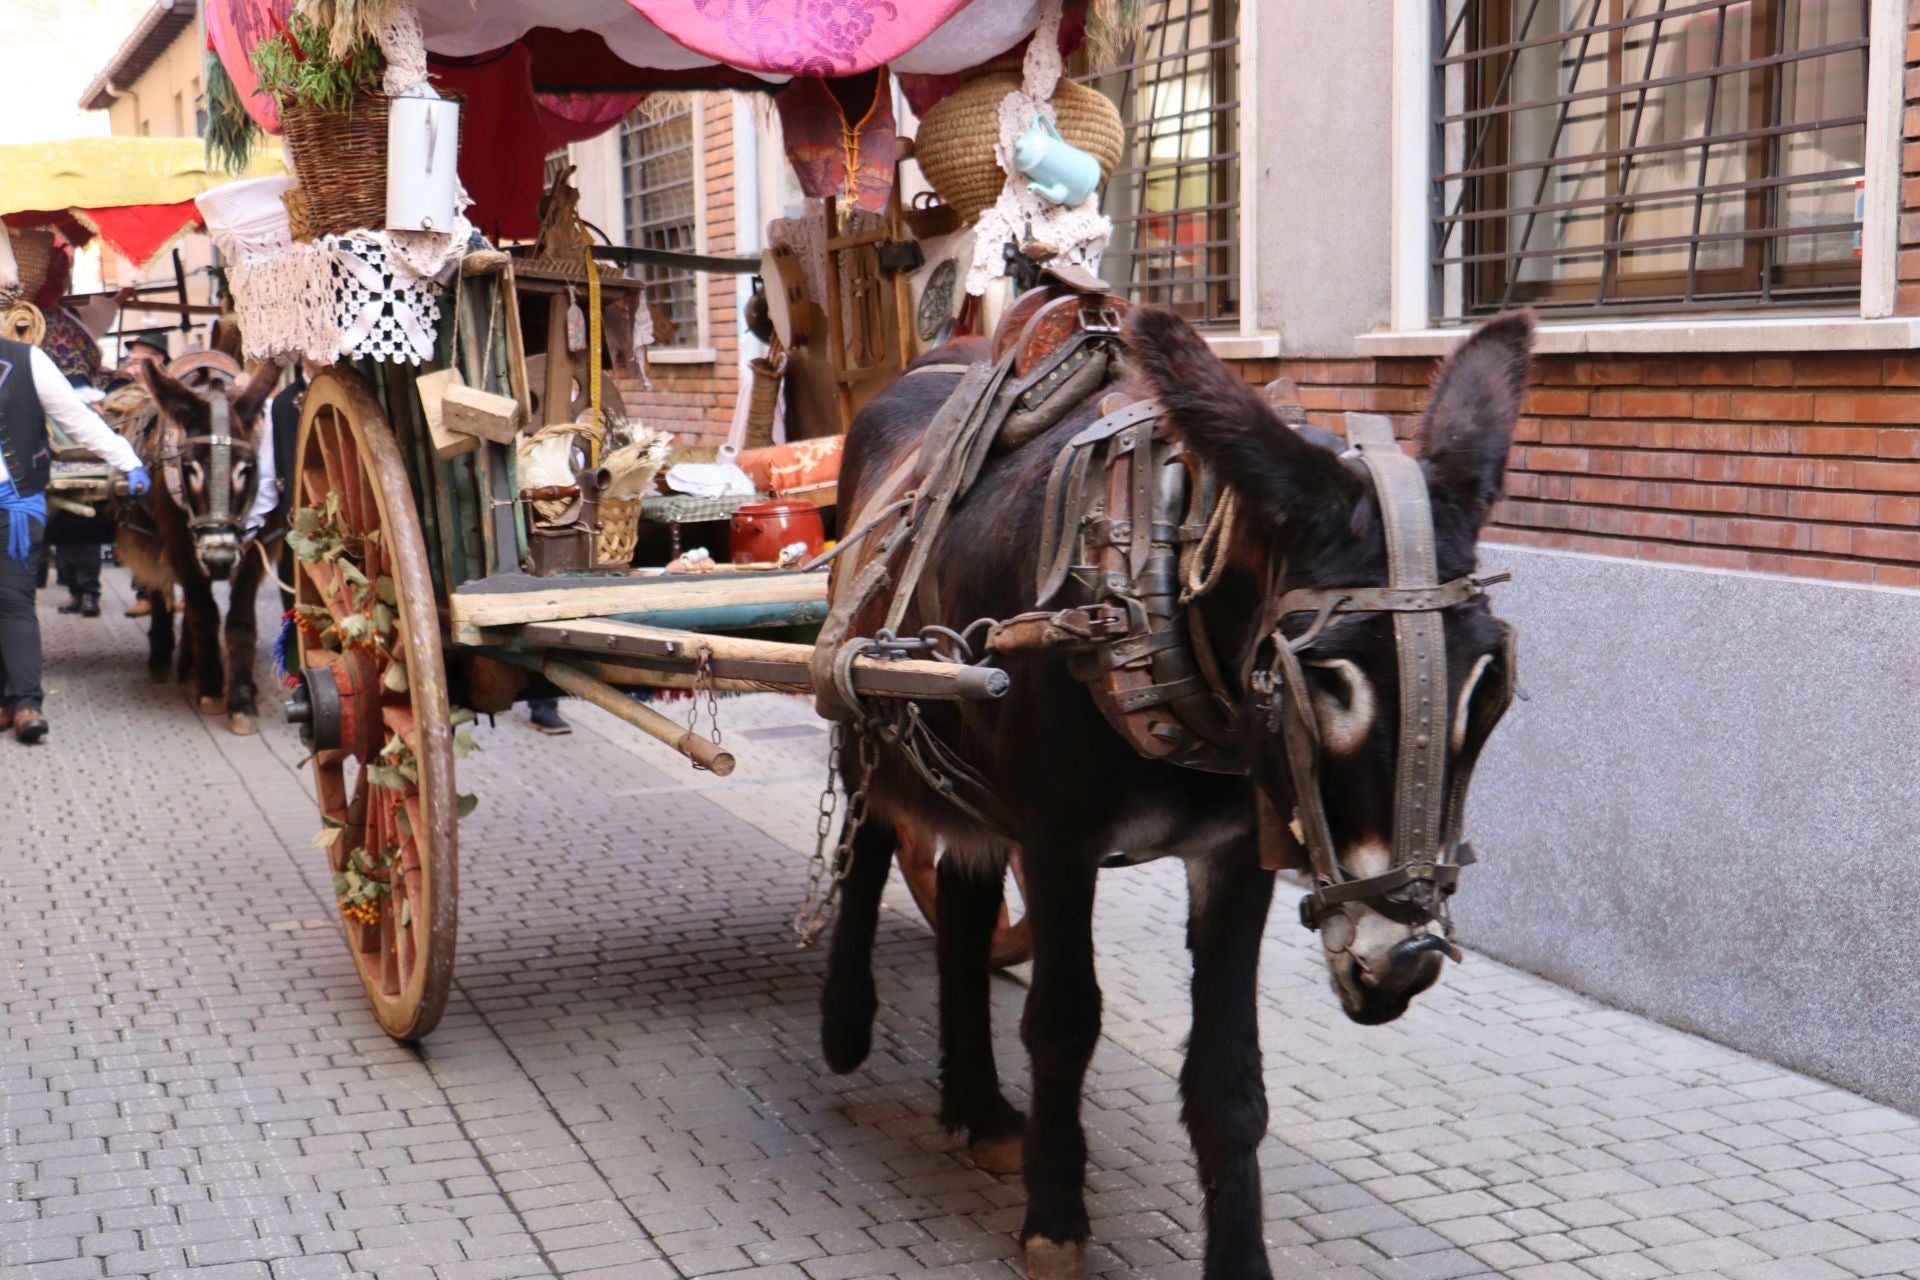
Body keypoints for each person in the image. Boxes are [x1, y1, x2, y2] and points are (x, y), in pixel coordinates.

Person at [0, 335, 150, 743]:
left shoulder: (26, 360)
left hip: (15, 503)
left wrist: (128, 462)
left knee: (13, 599)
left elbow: (77, 419)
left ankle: (27, 703)